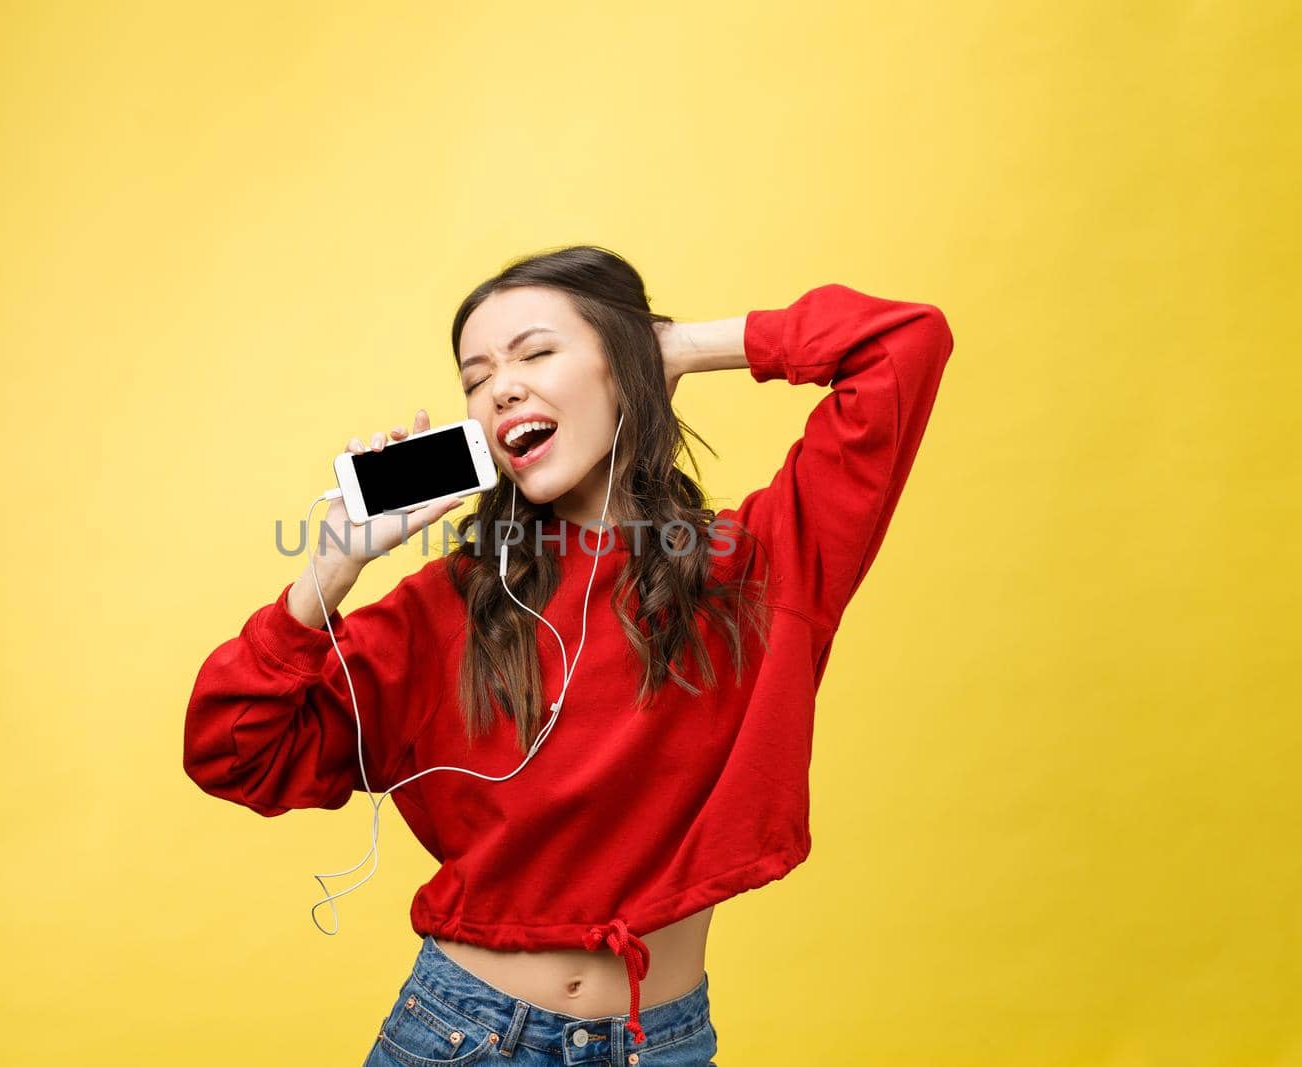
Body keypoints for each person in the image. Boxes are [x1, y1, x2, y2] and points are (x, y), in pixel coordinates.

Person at [183, 245, 954, 1066]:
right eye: (476, 378)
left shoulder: (757, 568)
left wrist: (677, 347)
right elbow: (234, 750)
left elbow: (902, 343)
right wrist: (333, 565)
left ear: (625, 365)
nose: (501, 387)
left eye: (536, 352)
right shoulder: (451, 607)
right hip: (461, 1034)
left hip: (657, 1044)